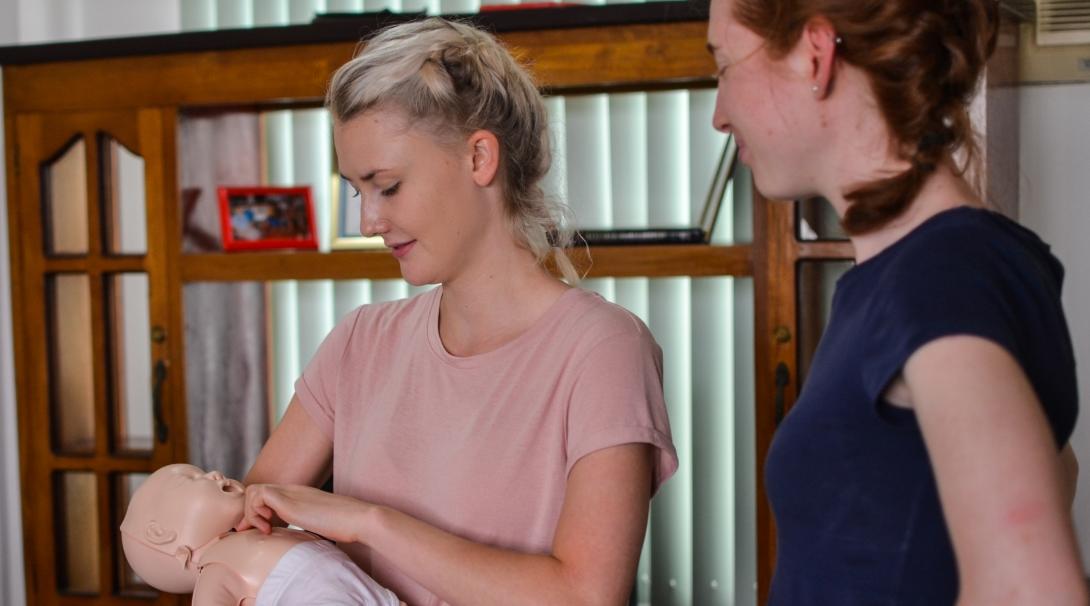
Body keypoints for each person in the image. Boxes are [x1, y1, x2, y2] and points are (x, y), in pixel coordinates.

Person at [236, 17, 678, 606]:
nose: (368, 222)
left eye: (387, 186)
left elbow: (585, 595)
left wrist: (370, 523)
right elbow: (250, 524)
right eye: (356, 191)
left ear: (479, 158)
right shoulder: (359, 343)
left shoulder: (603, 350)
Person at [706, 0, 1086, 603]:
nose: (719, 116)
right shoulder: (925, 272)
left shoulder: (942, 275)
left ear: (815, 55)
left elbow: (1030, 590)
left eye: (724, 65)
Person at [119, 463, 402, 605]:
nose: (214, 473)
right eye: (192, 480)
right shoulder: (216, 570)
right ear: (160, 533)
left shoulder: (264, 528)